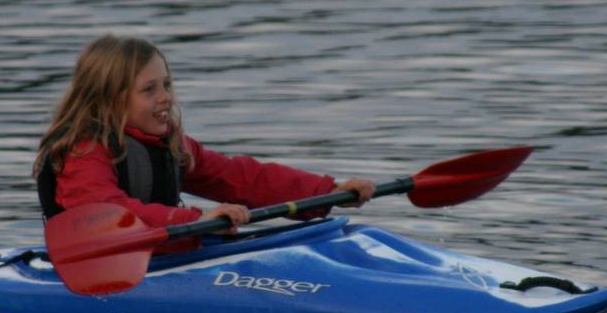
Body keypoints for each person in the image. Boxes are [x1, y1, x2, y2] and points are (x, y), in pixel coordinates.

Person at [34, 34, 375, 252]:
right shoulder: (83, 152)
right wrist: (195, 220)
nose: (166, 98)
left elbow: (238, 177)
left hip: (160, 256)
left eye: (166, 85)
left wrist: (328, 190)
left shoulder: (167, 144)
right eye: (149, 90)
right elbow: (107, 214)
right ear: (108, 99)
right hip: (96, 268)